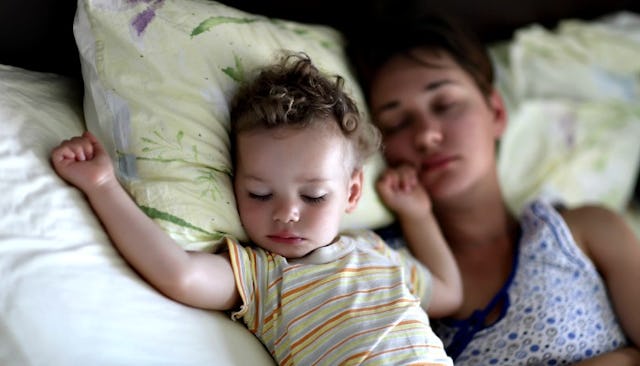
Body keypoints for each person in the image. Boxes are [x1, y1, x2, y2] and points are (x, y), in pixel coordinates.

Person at [50, 52, 462, 365]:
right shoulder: (264, 277)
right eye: (260, 194)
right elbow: (179, 273)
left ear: (352, 193)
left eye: (314, 196)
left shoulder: (378, 253)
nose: (286, 214)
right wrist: (103, 186)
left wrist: (418, 214)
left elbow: (450, 292)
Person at [347, 14, 640, 365]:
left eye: (445, 105)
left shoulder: (586, 230)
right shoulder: (386, 271)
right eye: (396, 123)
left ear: (497, 112)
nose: (426, 135)